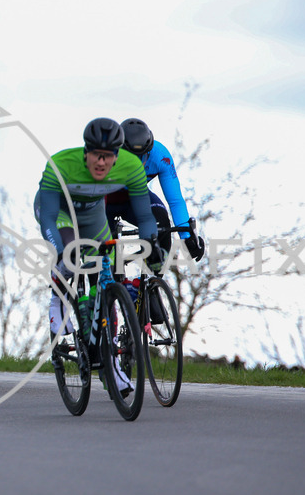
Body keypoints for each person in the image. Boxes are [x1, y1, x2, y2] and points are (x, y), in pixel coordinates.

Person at [35, 117, 164, 396]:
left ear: (118, 156)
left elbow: (144, 215)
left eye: (108, 156)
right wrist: (60, 252)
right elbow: (46, 214)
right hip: (60, 212)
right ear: (86, 152)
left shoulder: (130, 167)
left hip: (93, 216)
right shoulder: (61, 164)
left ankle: (111, 363)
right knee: (68, 254)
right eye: (96, 154)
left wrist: (151, 243)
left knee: (104, 280)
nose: (101, 162)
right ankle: (57, 300)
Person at [105, 118, 205, 260]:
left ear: (149, 151)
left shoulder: (160, 156)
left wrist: (187, 237)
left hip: (136, 197)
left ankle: (153, 279)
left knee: (161, 222)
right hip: (104, 201)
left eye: (142, 156)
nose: (137, 162)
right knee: (105, 254)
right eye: (130, 157)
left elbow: (175, 200)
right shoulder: (104, 157)